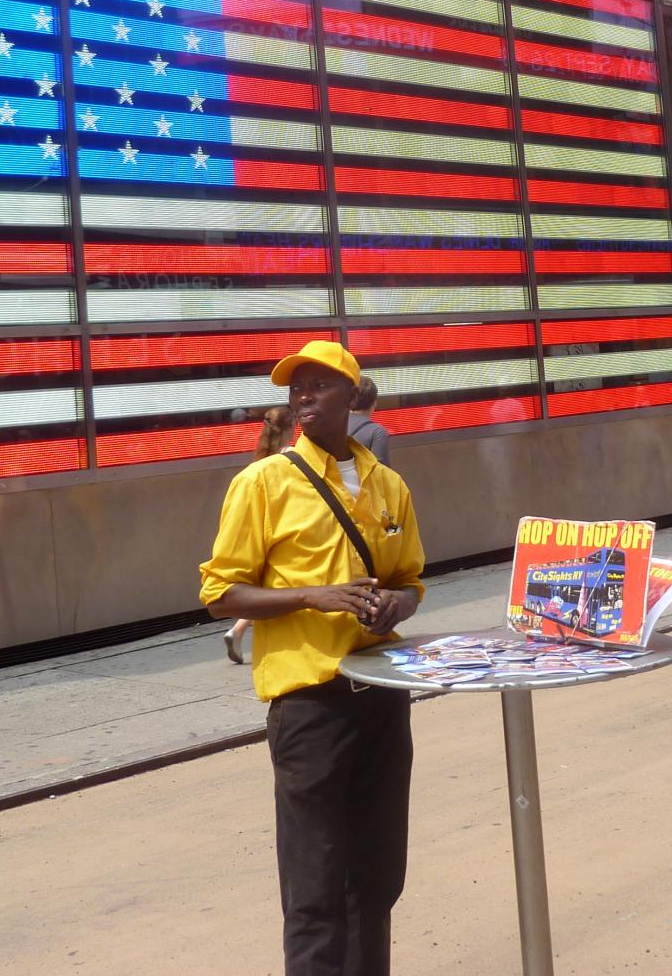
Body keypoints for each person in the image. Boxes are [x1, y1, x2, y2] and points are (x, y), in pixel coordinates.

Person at [200, 340, 426, 976]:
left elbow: (410, 580)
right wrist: (313, 595)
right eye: (295, 387)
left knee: (376, 880)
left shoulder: (388, 486)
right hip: (309, 706)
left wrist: (395, 607)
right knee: (315, 886)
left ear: (352, 397)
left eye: (320, 385)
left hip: (383, 697)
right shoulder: (263, 483)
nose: (303, 396)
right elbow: (220, 594)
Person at [225, 407, 298, 666]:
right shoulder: (291, 458)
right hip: (283, 530)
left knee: (266, 587)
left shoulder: (259, 460)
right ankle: (243, 632)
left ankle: (238, 629)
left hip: (262, 530)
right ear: (292, 427)